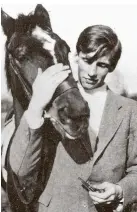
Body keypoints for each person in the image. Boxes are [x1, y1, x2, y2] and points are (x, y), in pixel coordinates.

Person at [7, 25, 137, 212]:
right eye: (87, 60)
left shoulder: (130, 110)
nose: (92, 73)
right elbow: (22, 170)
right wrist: (36, 106)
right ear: (75, 56)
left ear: (112, 67)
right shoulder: (52, 104)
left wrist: (121, 190)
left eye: (102, 65)